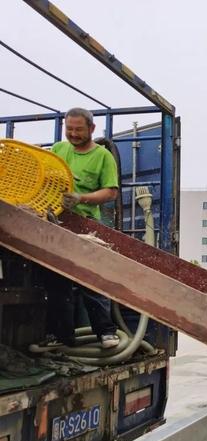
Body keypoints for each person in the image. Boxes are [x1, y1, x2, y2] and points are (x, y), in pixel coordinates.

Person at [41, 107, 120, 349]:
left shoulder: (102, 156)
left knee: (91, 279)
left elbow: (110, 192)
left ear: (92, 129)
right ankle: (61, 336)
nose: (73, 134)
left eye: (78, 130)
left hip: (85, 225)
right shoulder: (58, 149)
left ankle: (105, 332)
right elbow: (45, 174)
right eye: (69, 129)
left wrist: (81, 198)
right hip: (55, 221)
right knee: (56, 282)